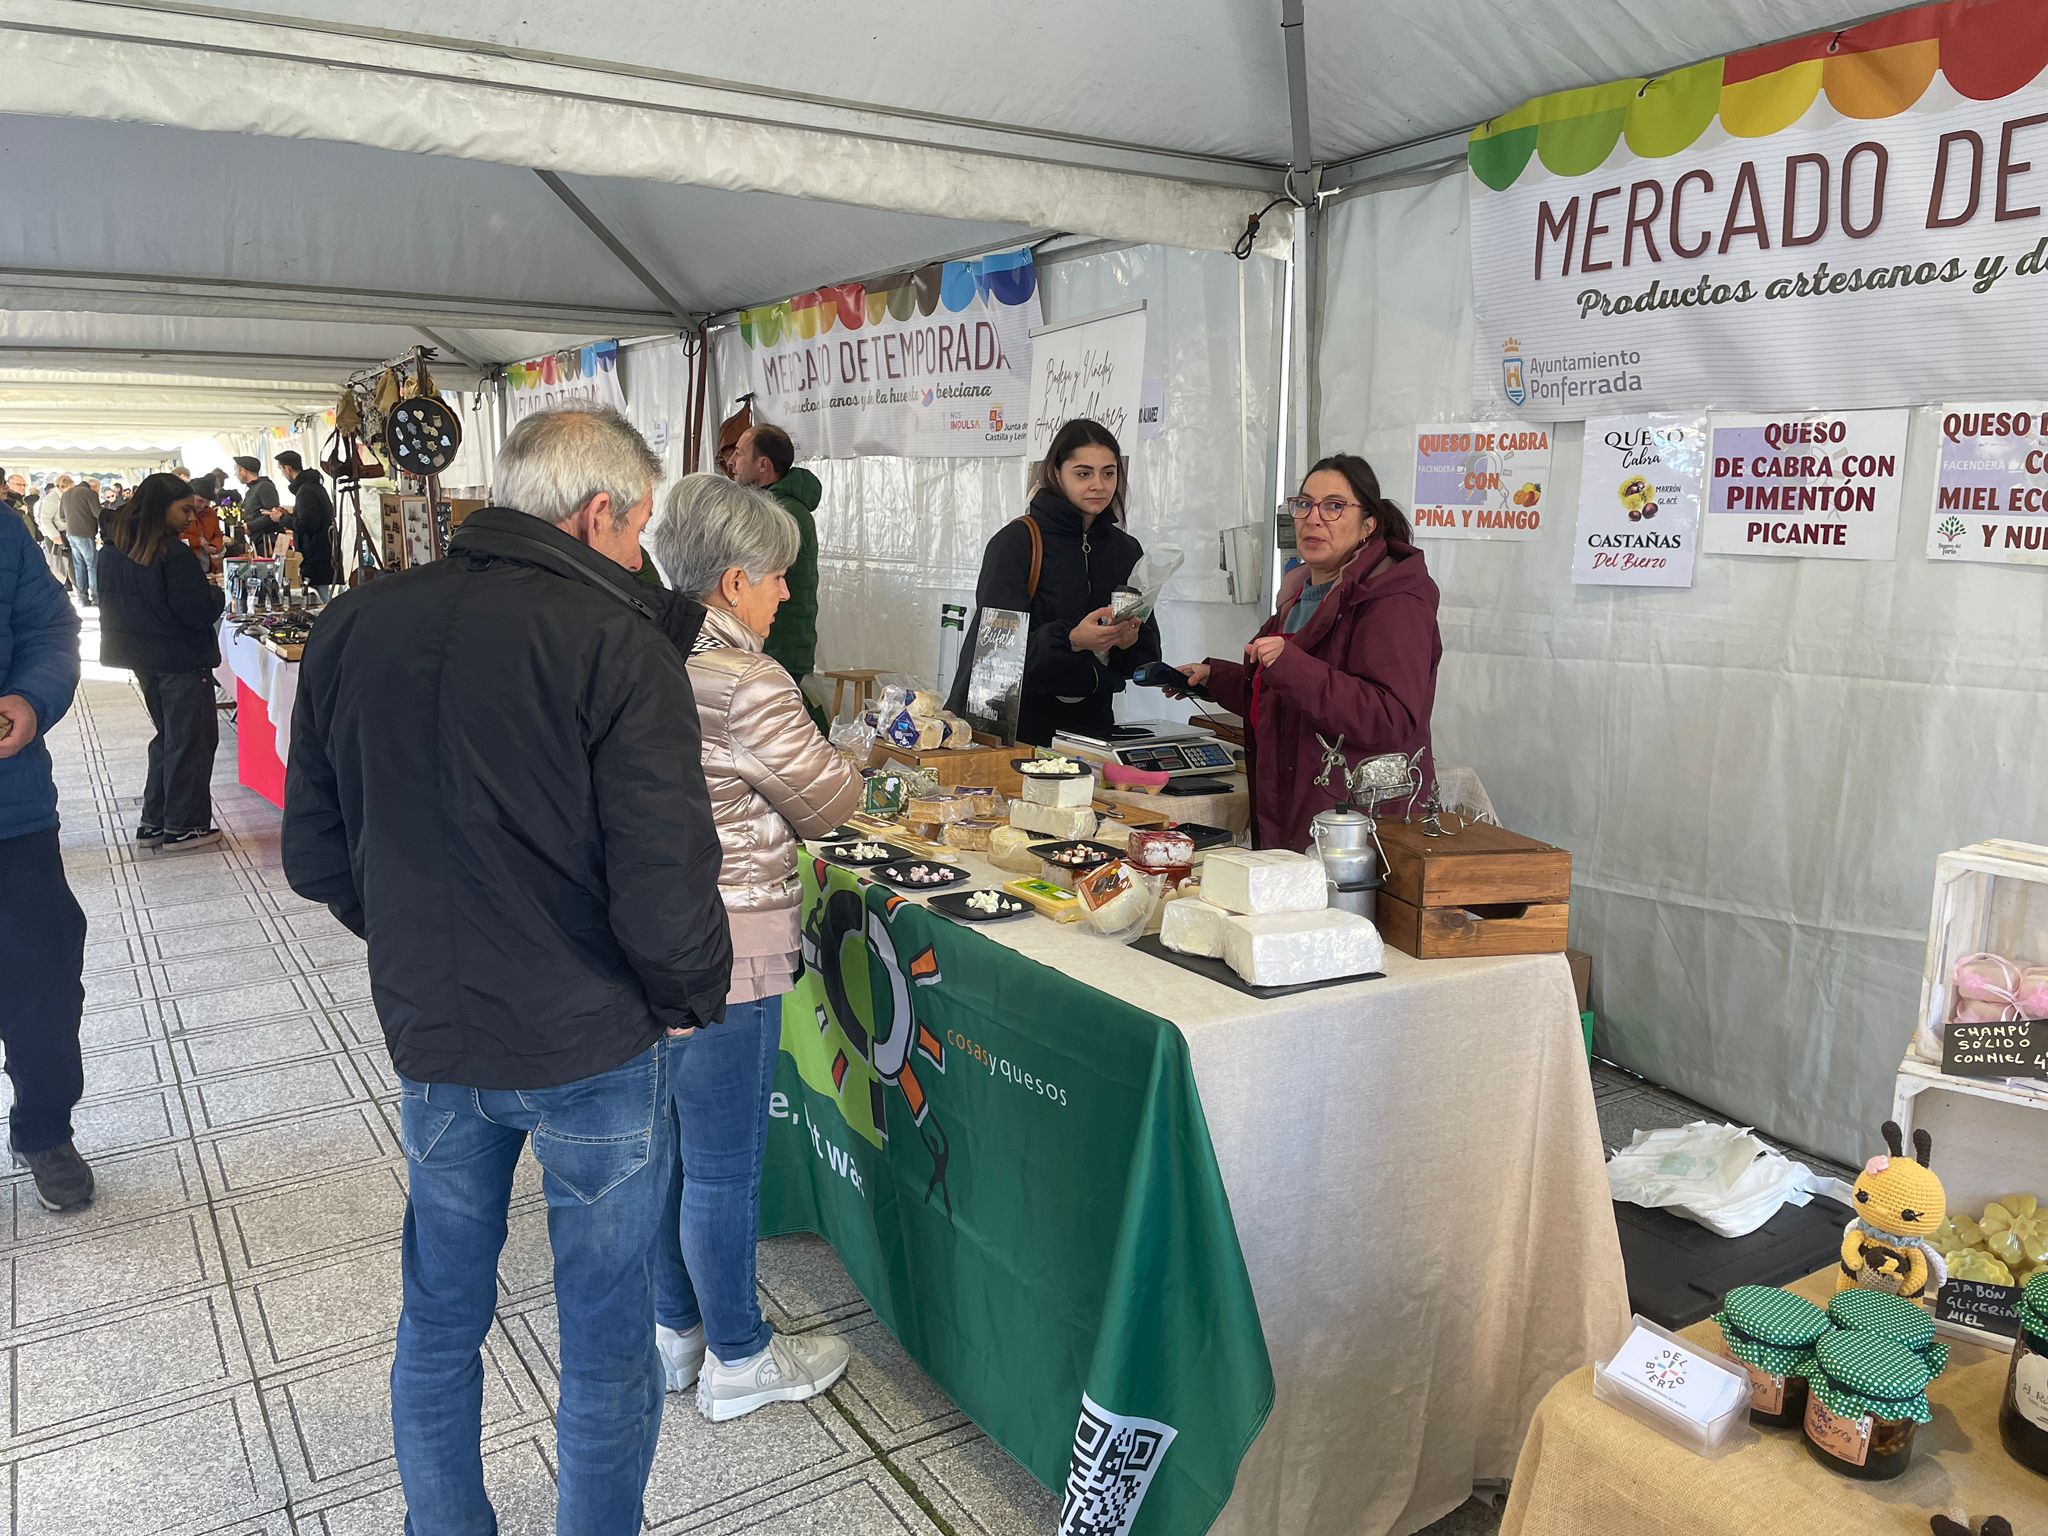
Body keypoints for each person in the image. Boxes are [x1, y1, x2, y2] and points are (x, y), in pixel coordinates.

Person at [280, 405, 731, 1536]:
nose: (639, 559)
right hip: (594, 1041)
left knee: (438, 1316)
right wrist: (684, 1002)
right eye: (636, 535)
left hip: (437, 1032)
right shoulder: (618, 642)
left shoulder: (356, 621)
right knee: (602, 1336)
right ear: (597, 514)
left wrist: (412, 942)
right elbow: (663, 871)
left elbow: (314, 850)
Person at [644, 473, 862, 1421]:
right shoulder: (745, 677)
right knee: (724, 1164)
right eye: (777, 577)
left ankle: (675, 1330)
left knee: (669, 1151)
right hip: (732, 937)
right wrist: (856, 761)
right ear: (734, 581)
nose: (785, 595)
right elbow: (828, 805)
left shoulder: (642, 642)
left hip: (651, 931)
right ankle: (739, 1353)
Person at [1173, 453, 1441, 851]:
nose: (1313, 518)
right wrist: (1217, 679)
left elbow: (1390, 718)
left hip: (1362, 831)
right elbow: (1288, 703)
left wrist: (1290, 665)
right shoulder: (1300, 596)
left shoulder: (1395, 600)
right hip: (1299, 811)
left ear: (1368, 524)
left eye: (1334, 506)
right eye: (1304, 504)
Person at [944, 417, 1162, 746]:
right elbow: (996, 655)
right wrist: (1073, 640)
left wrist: (1127, 641)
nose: (1098, 485)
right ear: (1056, 472)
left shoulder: (1125, 549)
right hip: (1017, 730)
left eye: (1109, 472)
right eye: (1083, 473)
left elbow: (1144, 657)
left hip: (1092, 732)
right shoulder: (1016, 543)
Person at [0, 496, 93, 1213]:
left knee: (44, 982)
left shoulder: (4, 532)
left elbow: (49, 628)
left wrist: (31, 698)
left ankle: (45, 1129)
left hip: (12, 814)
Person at [97, 474, 226, 853]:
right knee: (192, 740)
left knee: (170, 738)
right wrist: (215, 594)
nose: (189, 518)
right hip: (180, 658)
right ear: (160, 506)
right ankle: (185, 826)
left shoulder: (114, 549)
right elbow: (196, 611)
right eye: (185, 509)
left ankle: (155, 821)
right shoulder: (171, 553)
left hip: (144, 658)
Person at [730, 425, 821, 710]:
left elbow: (744, 571)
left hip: (776, 646)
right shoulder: (776, 508)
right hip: (770, 644)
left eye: (739, 453)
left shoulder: (782, 514)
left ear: (763, 465)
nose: (731, 462)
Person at [267, 451, 338, 596]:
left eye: (281, 470)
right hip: (323, 555)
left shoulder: (306, 491)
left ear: (288, 469)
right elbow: (310, 516)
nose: (282, 474)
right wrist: (288, 515)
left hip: (317, 557)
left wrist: (282, 519)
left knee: (322, 600)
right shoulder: (313, 487)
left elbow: (307, 524)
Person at [57, 475, 101, 606]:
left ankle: (82, 598)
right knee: (92, 566)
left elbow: (62, 517)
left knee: (79, 566)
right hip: (86, 533)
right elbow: (98, 513)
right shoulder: (89, 493)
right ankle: (96, 597)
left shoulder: (66, 494)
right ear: (94, 487)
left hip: (71, 533)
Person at [234, 456, 280, 553]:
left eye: (236, 470)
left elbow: (273, 514)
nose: (235, 474)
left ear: (243, 471)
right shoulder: (252, 489)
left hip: (267, 542)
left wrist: (250, 526)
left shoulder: (265, 487)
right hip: (257, 540)